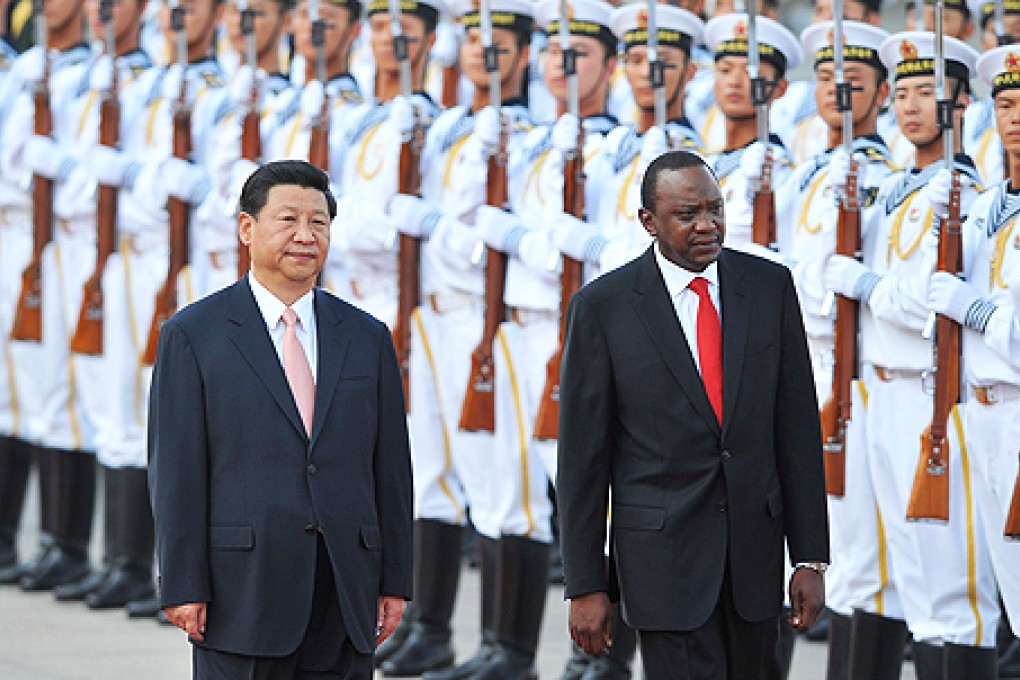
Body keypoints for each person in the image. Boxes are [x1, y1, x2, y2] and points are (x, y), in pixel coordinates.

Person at [557, 150, 829, 680]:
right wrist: (587, 584)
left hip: (754, 561)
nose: (707, 225)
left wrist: (810, 556)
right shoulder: (604, 308)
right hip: (664, 566)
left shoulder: (769, 288)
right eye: (687, 214)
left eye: (715, 209)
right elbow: (583, 462)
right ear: (648, 222)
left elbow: (795, 431)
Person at [148, 160, 413, 679]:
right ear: (248, 229)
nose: (304, 236)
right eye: (288, 220)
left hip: (343, 589)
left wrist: (394, 579)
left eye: (318, 223)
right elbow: (176, 472)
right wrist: (182, 584)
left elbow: (391, 470)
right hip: (240, 592)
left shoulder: (366, 337)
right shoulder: (193, 335)